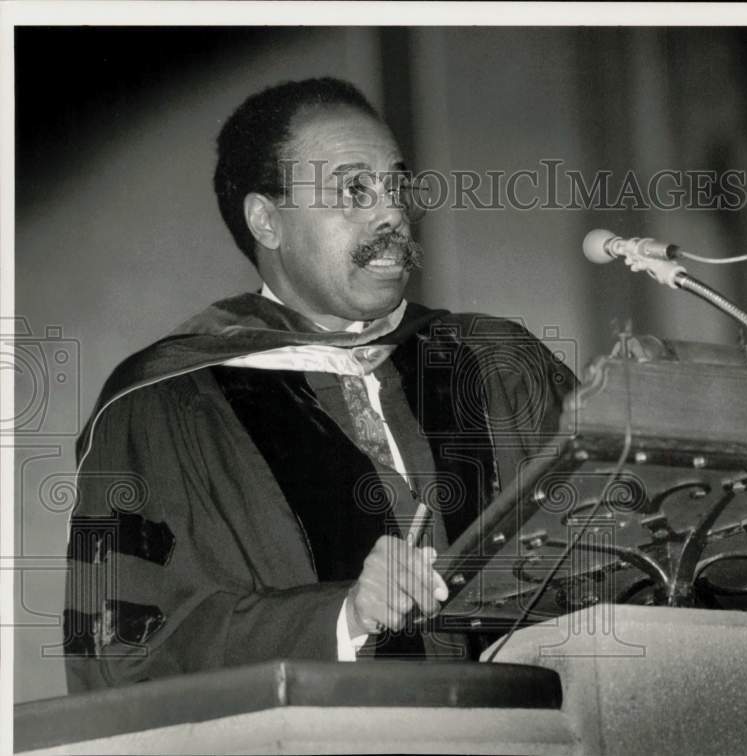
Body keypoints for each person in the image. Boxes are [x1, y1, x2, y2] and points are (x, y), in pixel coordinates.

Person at [62, 77, 576, 691]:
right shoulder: (163, 405)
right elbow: (123, 648)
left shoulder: (498, 361)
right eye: (353, 190)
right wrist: (343, 617)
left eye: (395, 185)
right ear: (267, 221)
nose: (391, 214)